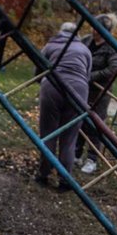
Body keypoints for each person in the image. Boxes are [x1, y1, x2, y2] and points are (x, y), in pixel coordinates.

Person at [36, 21, 92, 191]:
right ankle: (65, 181)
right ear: (77, 35)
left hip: (52, 86)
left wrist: (44, 83)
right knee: (69, 138)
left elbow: (37, 71)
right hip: (78, 90)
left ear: (60, 32)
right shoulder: (84, 50)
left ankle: (43, 174)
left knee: (48, 133)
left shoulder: (50, 46)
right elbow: (87, 75)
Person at [78, 13, 117, 175]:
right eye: (93, 27)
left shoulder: (112, 48)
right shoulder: (86, 40)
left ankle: (92, 159)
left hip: (99, 92)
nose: (94, 31)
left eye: (97, 29)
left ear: (106, 31)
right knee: (79, 120)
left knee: (95, 124)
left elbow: (114, 68)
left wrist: (92, 76)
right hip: (82, 88)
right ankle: (76, 154)